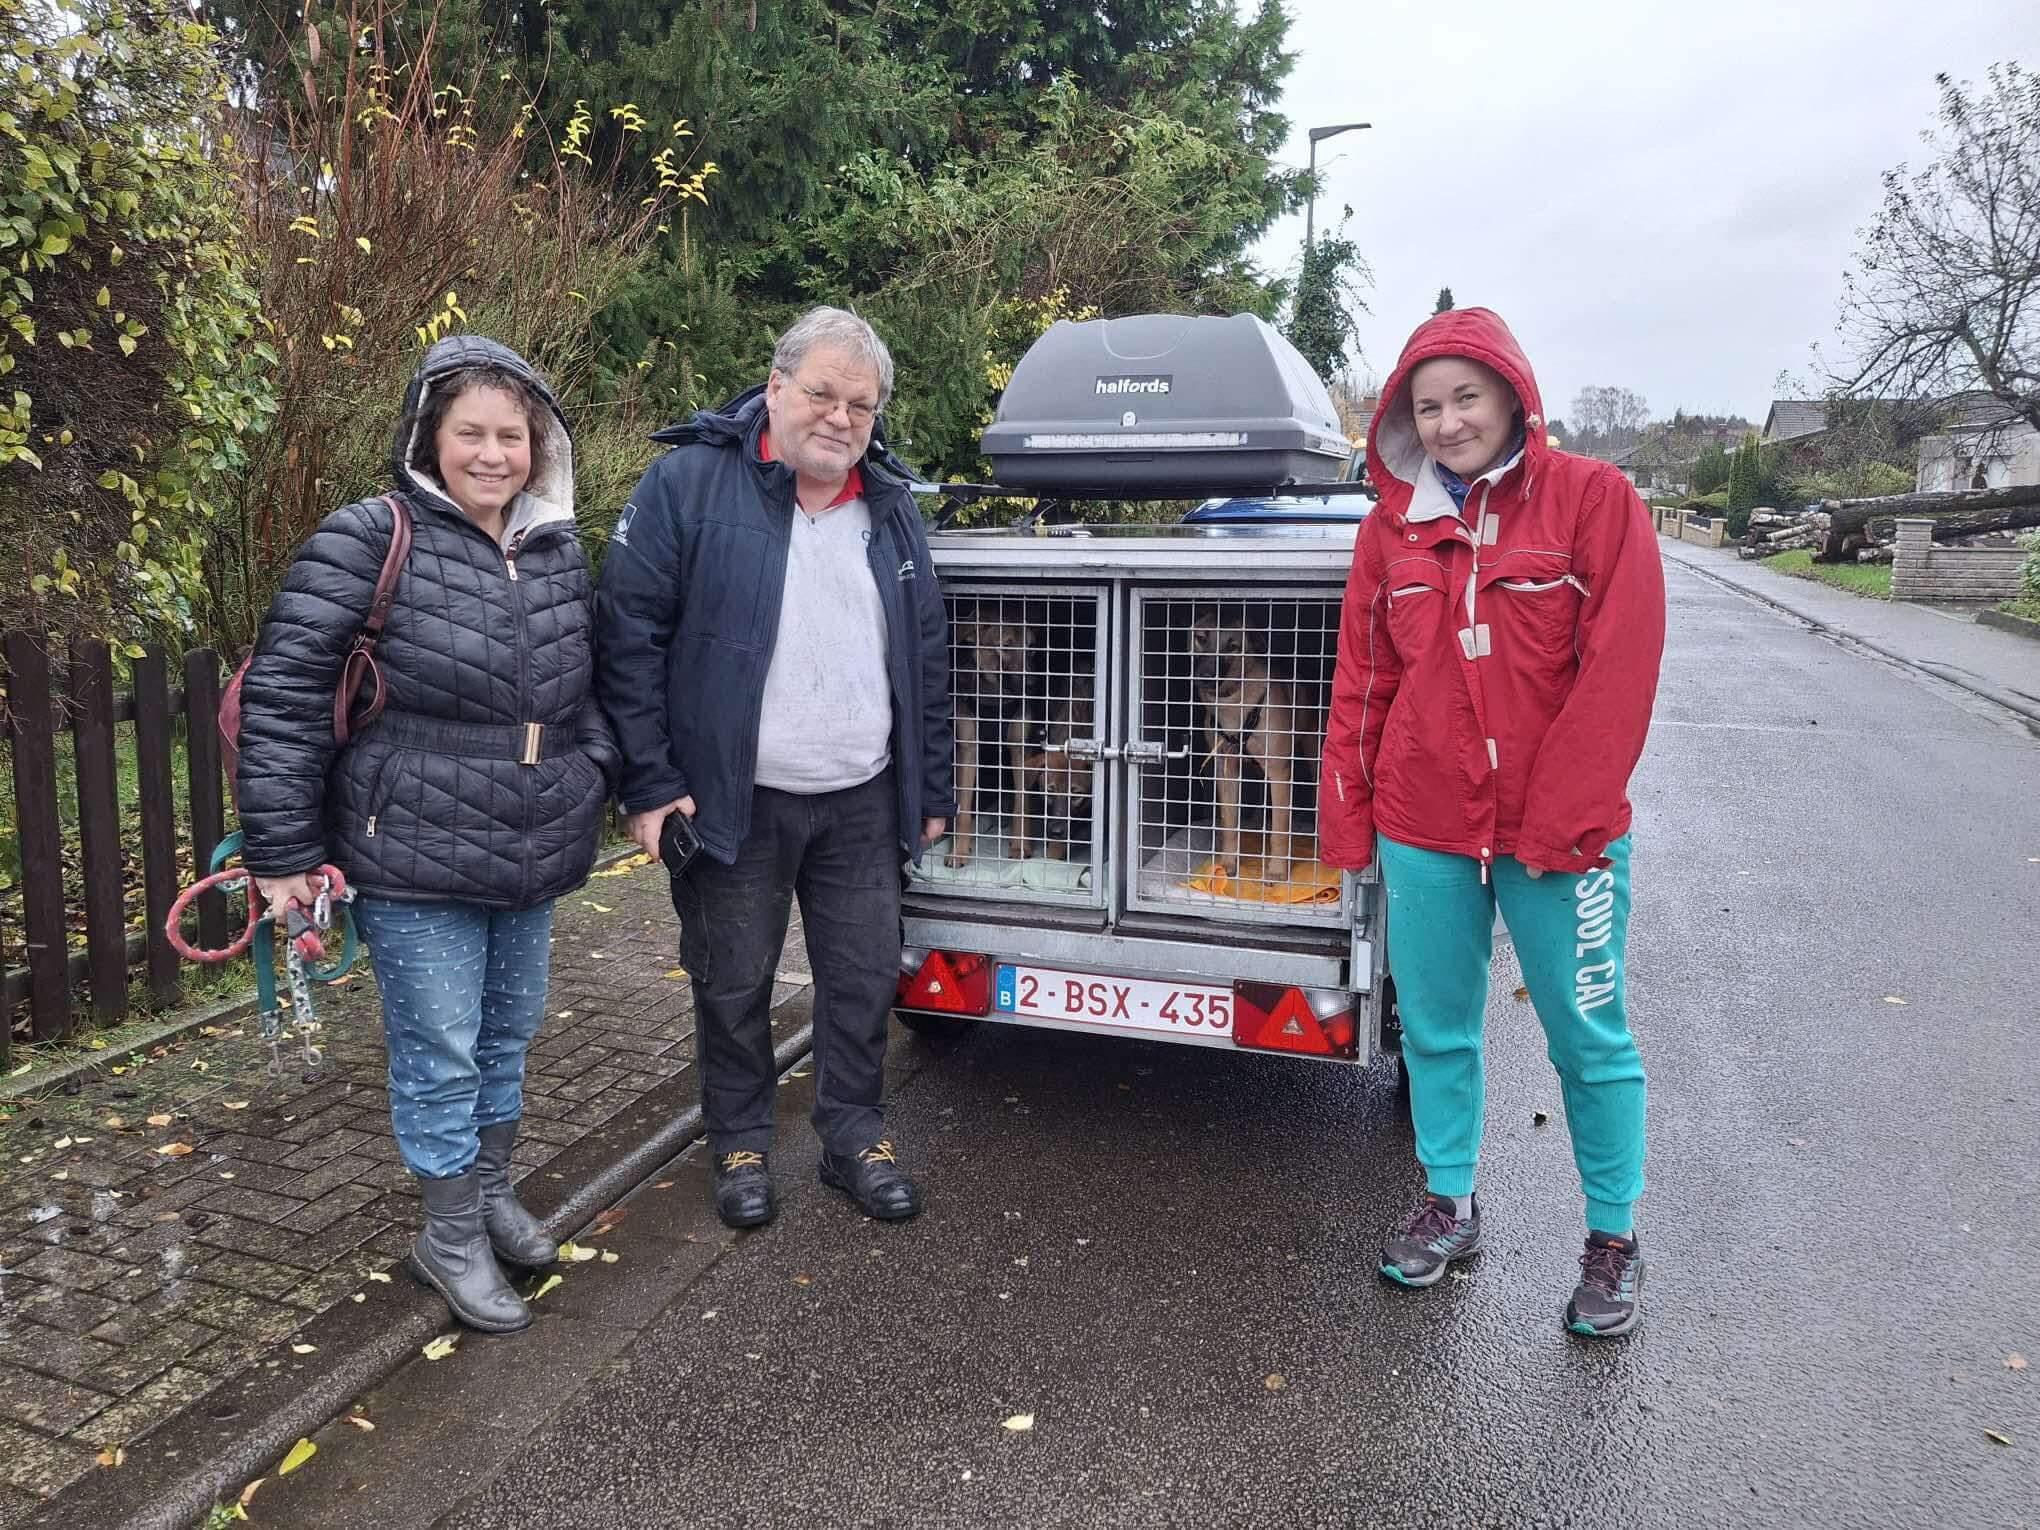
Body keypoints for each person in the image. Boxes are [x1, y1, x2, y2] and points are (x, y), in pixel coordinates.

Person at [237, 336, 617, 1333]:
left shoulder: (554, 546)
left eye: (512, 435)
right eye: (470, 433)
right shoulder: (370, 536)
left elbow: (591, 683)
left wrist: (595, 771)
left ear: (541, 446)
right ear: (427, 437)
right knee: (440, 1051)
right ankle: (446, 1238)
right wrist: (279, 854)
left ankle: (490, 1196)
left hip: (532, 844)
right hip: (411, 846)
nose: (493, 454)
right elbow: (283, 697)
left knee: (506, 1036)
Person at [1319, 307, 1665, 1338]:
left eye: (1466, 396)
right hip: (1423, 820)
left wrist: (1568, 818)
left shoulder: (1593, 501)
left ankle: (1613, 1235)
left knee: (1587, 1037)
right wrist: (1352, 819)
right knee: (1435, 1029)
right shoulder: (1391, 531)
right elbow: (1363, 681)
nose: (1448, 422)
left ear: (1513, 394)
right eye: (1427, 406)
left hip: (1562, 834)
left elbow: (1620, 669)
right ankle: (1450, 1200)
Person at [595, 306, 954, 1230]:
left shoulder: (889, 507)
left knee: (863, 977)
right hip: (731, 800)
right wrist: (646, 782)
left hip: (863, 797)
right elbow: (627, 639)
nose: (841, 418)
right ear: (776, 387)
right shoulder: (687, 485)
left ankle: (852, 1137)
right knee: (731, 979)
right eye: (824, 394)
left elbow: (925, 656)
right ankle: (743, 1143)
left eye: (862, 405)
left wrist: (932, 789)